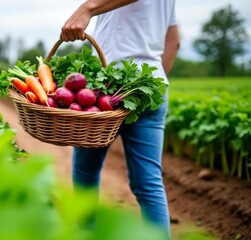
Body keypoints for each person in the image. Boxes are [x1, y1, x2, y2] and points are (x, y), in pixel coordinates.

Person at [61, 0, 180, 238]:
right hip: (151, 85)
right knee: (149, 185)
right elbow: (173, 41)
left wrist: (88, 8)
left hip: (108, 84)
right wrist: (150, 82)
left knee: (86, 174)